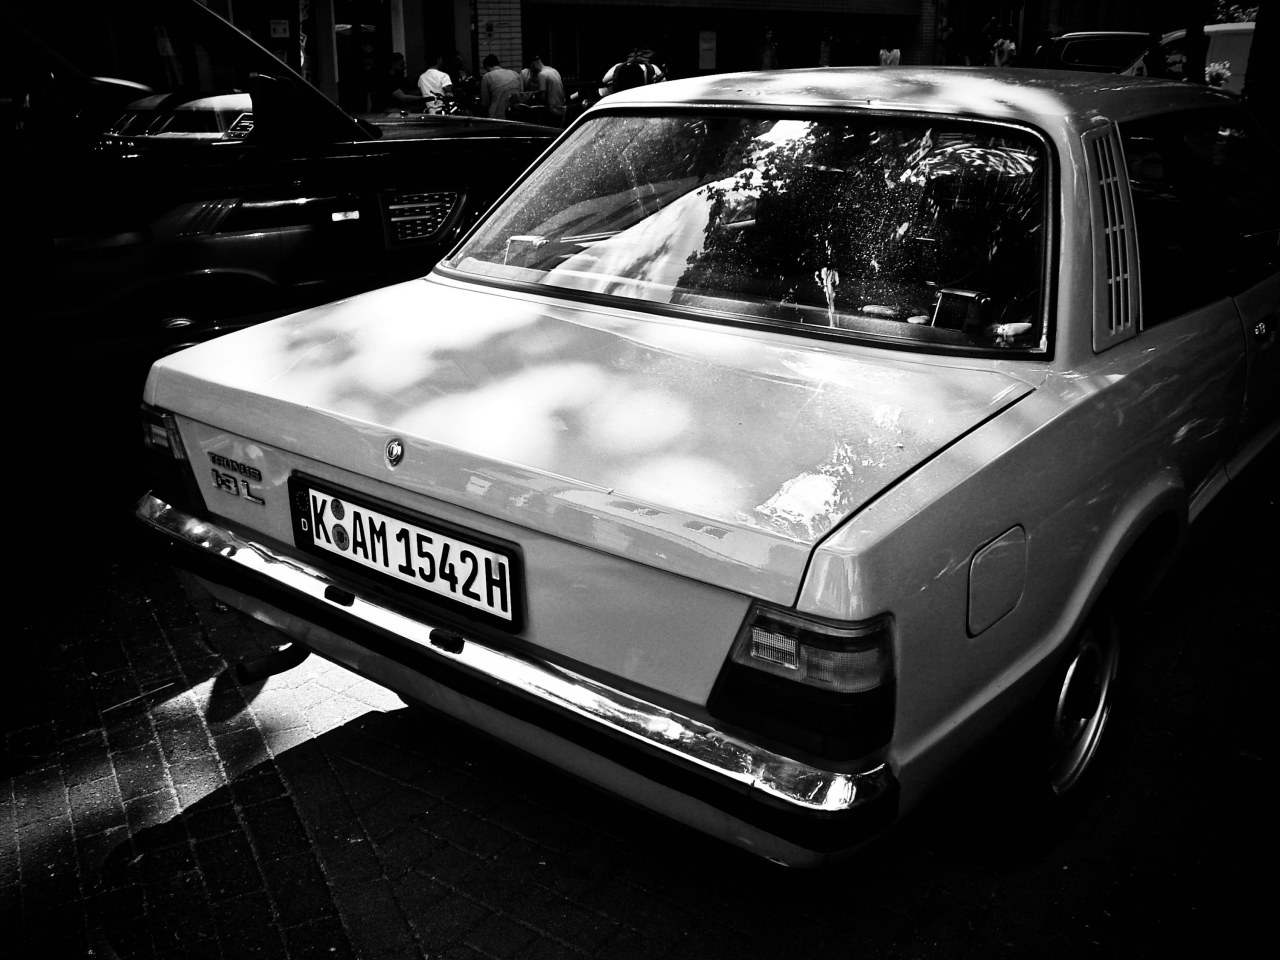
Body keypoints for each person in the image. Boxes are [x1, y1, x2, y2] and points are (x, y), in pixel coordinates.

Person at [479, 53, 522, 119]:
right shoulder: (515, 73)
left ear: (487, 67)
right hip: (517, 115)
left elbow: (485, 102)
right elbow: (521, 94)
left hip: (498, 116)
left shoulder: (487, 76)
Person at [529, 55, 566, 126]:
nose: (530, 70)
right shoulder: (553, 71)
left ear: (533, 64)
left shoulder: (541, 75)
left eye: (530, 67)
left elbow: (543, 97)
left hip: (553, 111)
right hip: (562, 109)